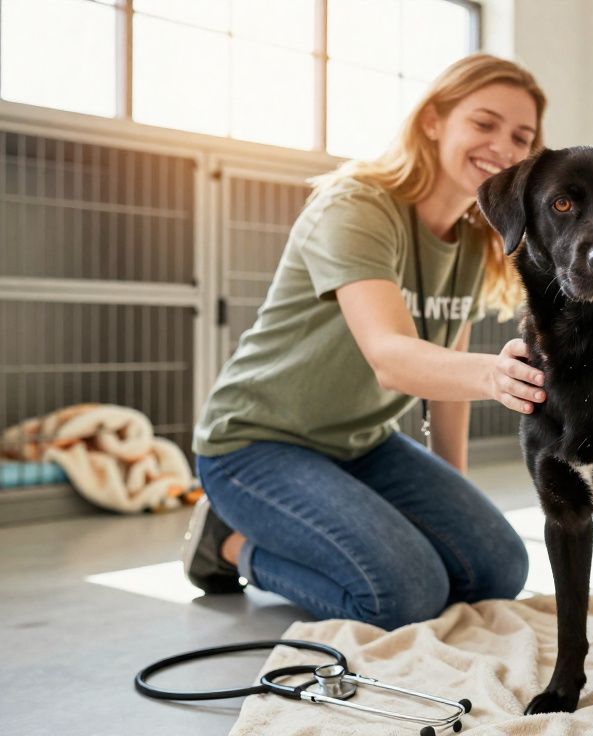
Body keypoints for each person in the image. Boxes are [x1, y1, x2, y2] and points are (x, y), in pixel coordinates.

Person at [181, 54, 550, 630]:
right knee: (405, 595)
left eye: (520, 136)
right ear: (433, 121)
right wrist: (493, 375)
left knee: (498, 569)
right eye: (483, 124)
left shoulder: (479, 238)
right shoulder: (357, 204)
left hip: (359, 444)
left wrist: (453, 499)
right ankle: (226, 544)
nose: (503, 146)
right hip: (254, 445)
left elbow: (443, 378)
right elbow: (391, 358)